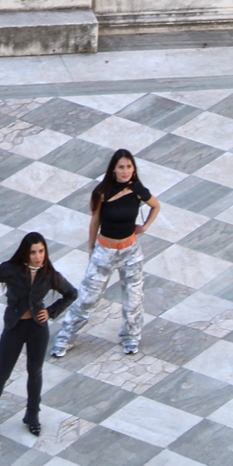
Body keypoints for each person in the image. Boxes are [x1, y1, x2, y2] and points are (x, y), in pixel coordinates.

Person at [51, 148, 160, 359]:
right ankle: (65, 338)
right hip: (105, 250)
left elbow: (156, 206)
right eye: (121, 167)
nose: (125, 171)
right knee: (87, 298)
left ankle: (131, 337)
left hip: (130, 251)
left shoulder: (138, 190)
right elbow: (95, 221)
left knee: (134, 298)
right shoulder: (102, 192)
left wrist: (145, 226)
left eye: (129, 167)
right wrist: (91, 247)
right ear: (113, 169)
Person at [0, 231, 77, 440]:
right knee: (1, 374)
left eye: (41, 251)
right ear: (25, 253)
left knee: (35, 372)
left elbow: (71, 293)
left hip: (38, 328)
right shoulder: (12, 270)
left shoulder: (49, 274)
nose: (38, 256)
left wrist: (51, 312)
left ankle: (32, 416)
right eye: (33, 252)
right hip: (15, 327)